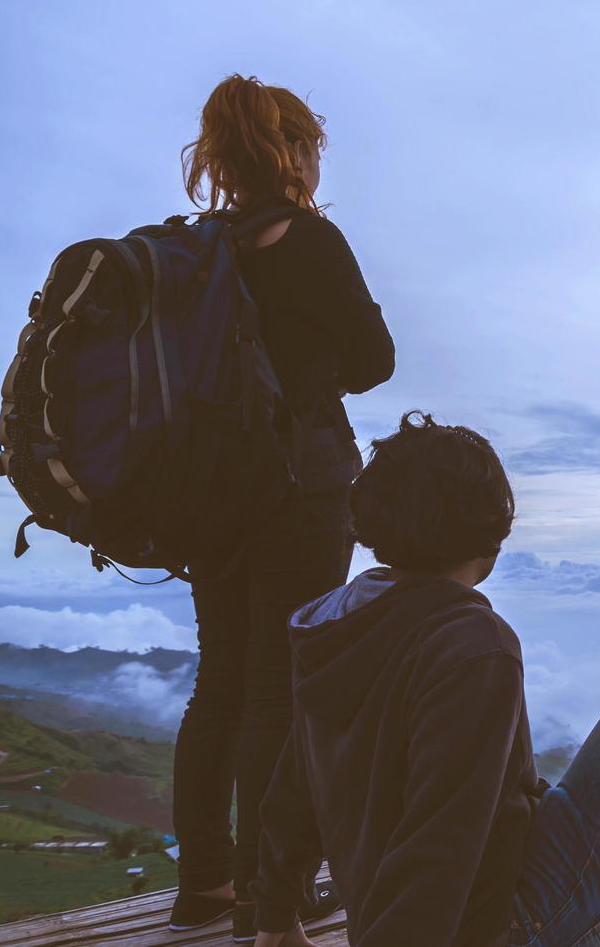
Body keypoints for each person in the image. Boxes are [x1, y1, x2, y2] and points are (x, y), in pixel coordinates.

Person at [250, 413, 600, 947]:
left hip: (409, 911)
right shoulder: (472, 643)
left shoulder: (333, 622)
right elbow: (439, 840)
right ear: (490, 531)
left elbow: (292, 784)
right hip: (500, 930)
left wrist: (275, 913)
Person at [167, 74, 395, 941]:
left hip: (205, 499)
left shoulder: (197, 253)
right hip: (298, 489)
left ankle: (204, 888)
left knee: (216, 688)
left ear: (220, 157)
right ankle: (269, 897)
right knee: (276, 692)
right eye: (308, 146)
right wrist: (309, 372)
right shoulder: (310, 240)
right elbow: (375, 357)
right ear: (292, 150)